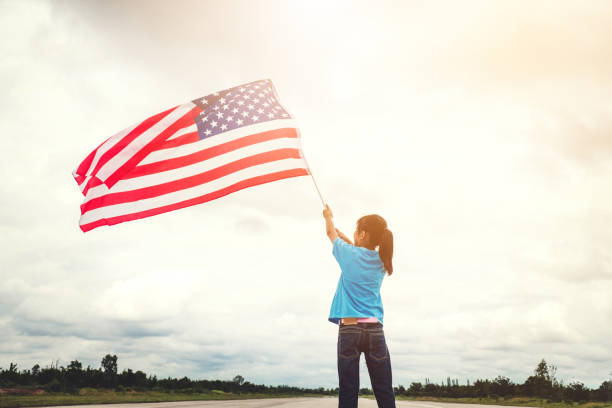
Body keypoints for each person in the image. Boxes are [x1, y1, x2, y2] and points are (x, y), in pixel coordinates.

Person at [323, 204, 396, 408]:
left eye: (356, 231)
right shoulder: (382, 260)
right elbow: (351, 246)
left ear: (363, 234)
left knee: (348, 388)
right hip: (375, 330)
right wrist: (339, 231)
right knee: (383, 388)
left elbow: (330, 233)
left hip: (350, 329)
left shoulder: (349, 255)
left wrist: (328, 216)